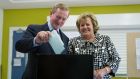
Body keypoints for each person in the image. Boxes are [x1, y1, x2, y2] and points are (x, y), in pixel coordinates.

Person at [15, 3, 69, 79]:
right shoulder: (33, 29)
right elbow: (19, 46)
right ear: (51, 14)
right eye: (58, 17)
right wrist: (36, 40)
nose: (60, 21)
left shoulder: (66, 39)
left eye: (64, 19)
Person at [68, 13, 121, 79]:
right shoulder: (73, 42)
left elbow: (116, 59)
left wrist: (104, 71)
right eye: (82, 25)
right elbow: (69, 63)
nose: (85, 27)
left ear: (93, 25)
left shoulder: (105, 39)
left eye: (87, 24)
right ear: (79, 28)